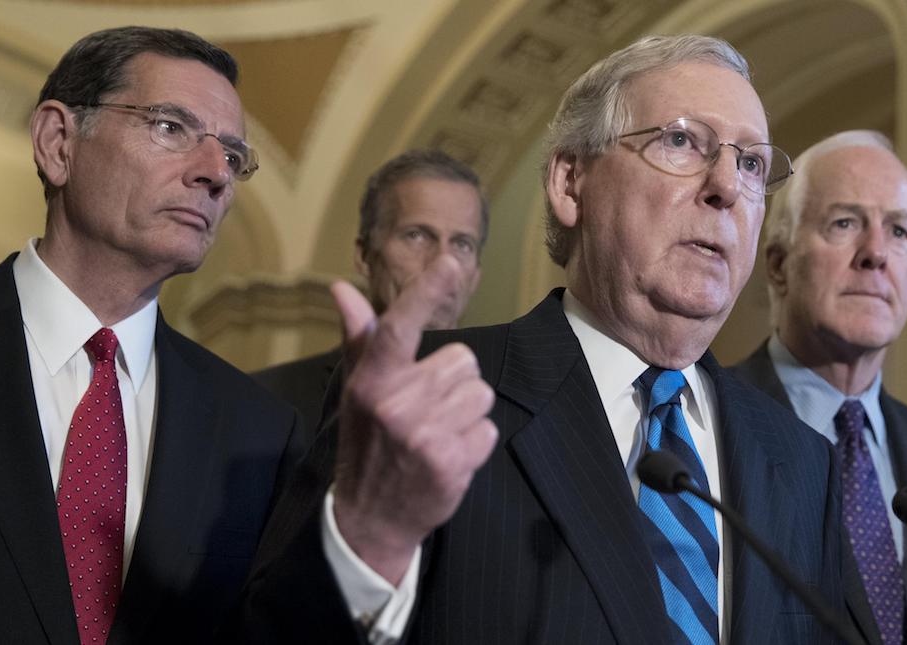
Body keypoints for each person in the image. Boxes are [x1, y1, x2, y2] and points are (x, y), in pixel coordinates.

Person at [234, 34, 846, 644]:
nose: (727, 187)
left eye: (751, 164)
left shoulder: (801, 459)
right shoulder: (428, 390)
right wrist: (370, 542)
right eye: (681, 141)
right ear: (570, 182)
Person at [0, 26, 303, 644]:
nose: (216, 173)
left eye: (234, 156)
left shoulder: (259, 433)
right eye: (170, 126)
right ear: (59, 143)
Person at [730, 130, 907, 644]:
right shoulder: (704, 420)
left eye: (900, 232)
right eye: (845, 223)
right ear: (777, 264)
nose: (876, 254)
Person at [252, 149, 488, 433]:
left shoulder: (512, 409)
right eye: (417, 235)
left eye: (462, 244)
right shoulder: (267, 400)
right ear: (364, 256)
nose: (443, 264)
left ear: (476, 276)